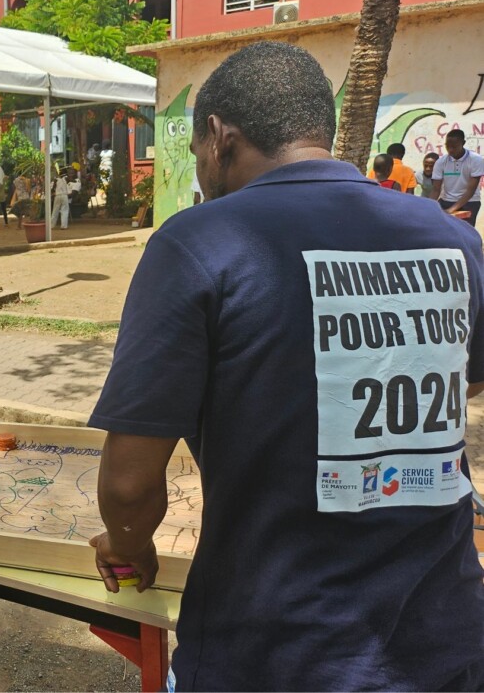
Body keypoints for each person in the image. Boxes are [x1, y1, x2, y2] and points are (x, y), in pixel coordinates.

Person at [87, 42, 484, 691]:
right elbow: (462, 374)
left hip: (274, 655)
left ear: (219, 137)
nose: (201, 173)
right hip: (444, 645)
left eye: (196, 155)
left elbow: (129, 486)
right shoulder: (453, 239)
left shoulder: (197, 243)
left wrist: (128, 547)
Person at [431, 128, 484, 226]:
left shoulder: (476, 160)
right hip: (446, 201)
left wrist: (451, 210)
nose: (450, 150)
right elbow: (435, 189)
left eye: (454, 147)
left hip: (469, 202)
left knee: (465, 233)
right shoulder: (440, 162)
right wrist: (429, 206)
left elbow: (470, 191)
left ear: (463, 143)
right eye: (448, 146)